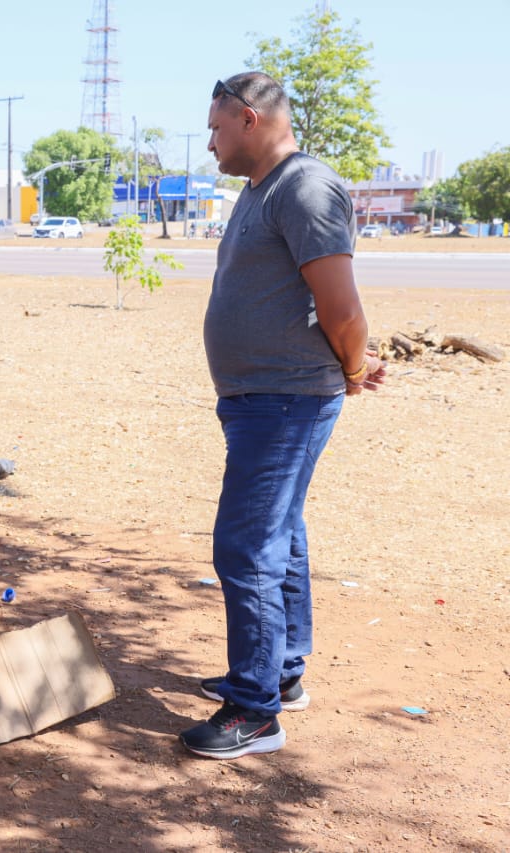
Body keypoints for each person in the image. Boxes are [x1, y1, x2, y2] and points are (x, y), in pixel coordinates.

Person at [181, 72, 386, 760]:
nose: (209, 142)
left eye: (214, 127)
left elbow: (342, 305)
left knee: (246, 546)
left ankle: (256, 710)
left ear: (247, 118)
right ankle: (281, 671)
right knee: (281, 535)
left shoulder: (304, 186)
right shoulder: (259, 190)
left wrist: (353, 368)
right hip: (259, 398)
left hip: (286, 399)